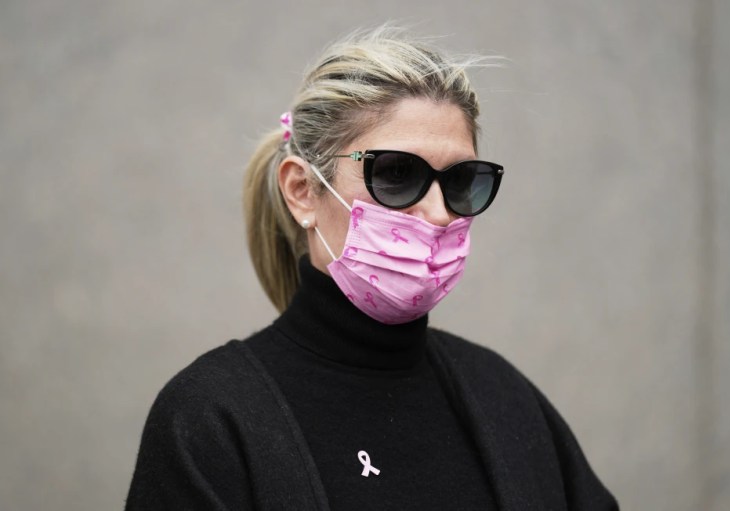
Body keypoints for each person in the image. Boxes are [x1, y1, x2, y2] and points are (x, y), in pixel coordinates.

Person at [126, 26, 618, 510]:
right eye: (396, 174)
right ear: (302, 190)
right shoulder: (212, 418)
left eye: (463, 180)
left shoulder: (504, 398)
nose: (439, 211)